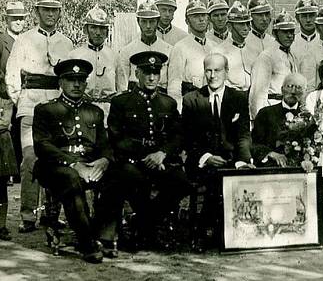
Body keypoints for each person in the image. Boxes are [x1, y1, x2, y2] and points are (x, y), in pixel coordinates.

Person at [33, 58, 124, 263]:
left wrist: (104, 160)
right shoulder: (45, 109)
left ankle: (104, 237)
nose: (76, 85)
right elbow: (42, 146)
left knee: (119, 176)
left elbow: (104, 144)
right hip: (56, 166)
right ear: (60, 83)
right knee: (71, 179)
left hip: (90, 164)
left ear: (86, 83)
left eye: (81, 80)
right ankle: (87, 242)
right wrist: (73, 164)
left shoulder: (95, 112)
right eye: (70, 80)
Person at [6, 0, 73, 232]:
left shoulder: (66, 43)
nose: (50, 15)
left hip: (56, 106)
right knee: (30, 159)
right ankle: (28, 216)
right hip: (31, 104)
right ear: (37, 12)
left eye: (54, 10)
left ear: (60, 13)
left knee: (56, 158)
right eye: (46, 10)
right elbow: (12, 75)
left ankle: (51, 213)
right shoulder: (24, 40)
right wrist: (20, 102)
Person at [108, 51, 189, 248]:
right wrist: (145, 156)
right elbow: (116, 138)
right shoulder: (121, 102)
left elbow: (177, 135)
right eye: (146, 73)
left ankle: (143, 224)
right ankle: (150, 230)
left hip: (161, 161)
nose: (152, 77)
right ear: (137, 73)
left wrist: (162, 154)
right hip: (133, 162)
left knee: (181, 181)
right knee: (131, 178)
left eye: (156, 73)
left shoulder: (168, 103)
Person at [183, 53, 253, 250]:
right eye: (208, 70)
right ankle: (207, 233)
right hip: (201, 161)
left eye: (218, 70)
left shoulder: (238, 98)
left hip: (231, 160)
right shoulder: (192, 100)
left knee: (239, 175)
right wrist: (206, 157)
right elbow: (188, 139)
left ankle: (234, 233)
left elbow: (243, 135)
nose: (213, 75)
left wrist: (243, 160)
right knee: (216, 178)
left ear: (227, 72)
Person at [68, 5, 119, 120]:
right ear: (86, 29)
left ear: (107, 31)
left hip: (108, 110)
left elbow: (121, 87)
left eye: (102, 28)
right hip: (82, 109)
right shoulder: (75, 55)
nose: (98, 32)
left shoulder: (114, 56)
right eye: (93, 28)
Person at [251, 73, 311, 167]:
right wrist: (271, 154)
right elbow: (254, 144)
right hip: (270, 167)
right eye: (289, 86)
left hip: (298, 168)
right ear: (282, 89)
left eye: (298, 88)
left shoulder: (308, 117)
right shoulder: (266, 113)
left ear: (304, 92)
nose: (293, 91)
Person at [249, 9, 299, 120]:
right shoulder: (267, 56)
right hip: (272, 109)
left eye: (291, 32)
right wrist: (258, 122)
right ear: (275, 33)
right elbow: (258, 93)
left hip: (289, 109)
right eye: (285, 32)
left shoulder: (291, 55)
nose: (289, 36)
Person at [167, 0, 212, 110]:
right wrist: (178, 110)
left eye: (203, 15)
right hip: (191, 104)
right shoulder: (181, 47)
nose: (201, 19)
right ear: (187, 21)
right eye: (196, 16)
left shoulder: (214, 46)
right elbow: (174, 83)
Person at [116, 0, 172, 91]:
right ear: (138, 22)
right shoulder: (126, 51)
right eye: (144, 21)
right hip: (135, 99)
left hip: (161, 99)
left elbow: (173, 84)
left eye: (152, 21)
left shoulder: (169, 50)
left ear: (158, 22)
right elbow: (122, 85)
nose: (148, 26)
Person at [1, 1, 26, 177]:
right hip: (5, 96)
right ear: (6, 19)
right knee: (6, 134)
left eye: (21, 19)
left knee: (22, 133)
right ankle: (9, 172)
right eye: (14, 18)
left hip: (26, 95)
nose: (18, 22)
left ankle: (20, 171)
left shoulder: (27, 41)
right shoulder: (2, 40)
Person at [211, 1, 254, 92]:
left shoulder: (253, 51)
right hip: (230, 99)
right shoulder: (219, 52)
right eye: (241, 24)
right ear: (230, 26)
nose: (246, 28)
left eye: (247, 24)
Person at [290, 0, 319, 66]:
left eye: (311, 15)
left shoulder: (322, 41)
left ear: (317, 17)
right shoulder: (291, 43)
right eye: (304, 16)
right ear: (297, 18)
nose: (308, 20)